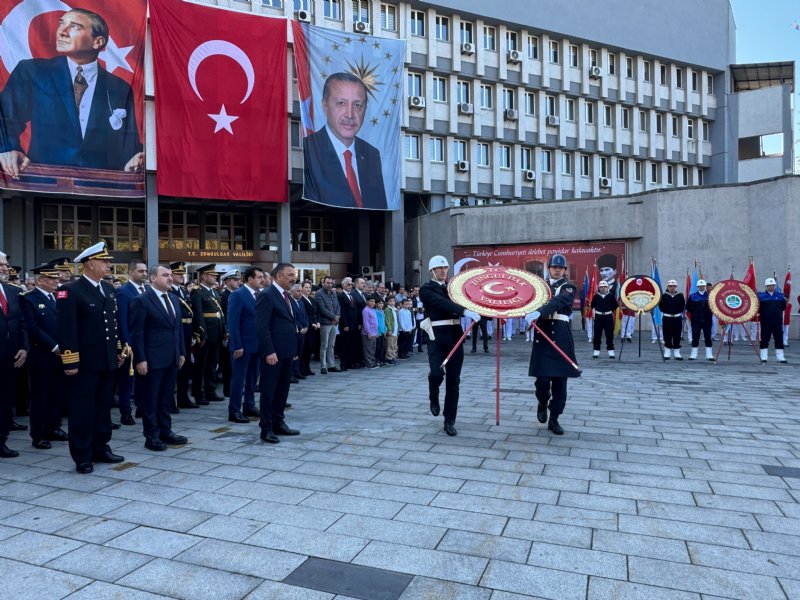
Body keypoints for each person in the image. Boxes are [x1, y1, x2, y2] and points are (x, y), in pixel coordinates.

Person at [0, 8, 143, 178]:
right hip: (42, 184)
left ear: (97, 42)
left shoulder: (119, 87)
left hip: (100, 188)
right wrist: (7, 148)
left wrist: (135, 158)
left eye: (74, 27)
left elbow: (129, 144)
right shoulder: (33, 72)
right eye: (61, 24)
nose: (62, 31)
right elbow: (6, 118)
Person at [56, 241, 124, 473]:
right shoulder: (70, 290)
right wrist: (70, 360)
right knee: (82, 410)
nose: (108, 266)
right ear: (90, 263)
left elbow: (112, 326)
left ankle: (100, 447)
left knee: (103, 408)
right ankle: (82, 455)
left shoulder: (108, 289)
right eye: (104, 262)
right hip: (84, 363)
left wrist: (116, 353)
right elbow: (67, 329)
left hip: (106, 361)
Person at [302, 72, 387, 209]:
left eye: (357, 105)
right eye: (341, 103)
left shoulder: (371, 154)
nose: (350, 114)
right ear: (325, 106)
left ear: (365, 109)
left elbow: (378, 207)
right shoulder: (310, 148)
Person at [420, 256, 481, 436]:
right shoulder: (426, 289)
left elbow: (470, 300)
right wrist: (464, 310)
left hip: (455, 338)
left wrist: (485, 311)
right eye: (439, 268)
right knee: (437, 374)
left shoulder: (454, 289)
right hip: (437, 339)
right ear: (432, 271)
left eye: (445, 268)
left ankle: (449, 419)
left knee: (454, 381)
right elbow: (442, 303)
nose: (443, 271)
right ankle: (433, 394)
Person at [129, 265, 187, 451]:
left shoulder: (173, 299)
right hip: (152, 360)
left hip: (171, 358)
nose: (170, 278)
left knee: (166, 398)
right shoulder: (142, 300)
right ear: (152, 278)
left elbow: (178, 329)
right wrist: (140, 359)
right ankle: (151, 436)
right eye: (165, 275)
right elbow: (137, 333)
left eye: (171, 275)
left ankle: (165, 431)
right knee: (150, 400)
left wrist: (181, 352)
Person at [525, 253, 579, 436]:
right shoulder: (540, 287)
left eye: (560, 267)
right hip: (543, 333)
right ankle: (542, 401)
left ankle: (554, 418)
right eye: (554, 267)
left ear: (564, 270)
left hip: (562, 335)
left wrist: (538, 312)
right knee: (542, 380)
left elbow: (558, 302)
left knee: (560, 383)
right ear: (548, 268)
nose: (557, 269)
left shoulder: (569, 287)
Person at [20, 261, 69, 450]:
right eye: (52, 278)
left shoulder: (59, 297)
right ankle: (39, 434)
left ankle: (53, 427)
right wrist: (54, 345)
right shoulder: (28, 298)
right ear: (41, 280)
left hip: (61, 354)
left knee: (57, 394)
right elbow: (33, 328)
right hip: (42, 354)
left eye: (57, 277)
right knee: (41, 396)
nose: (56, 281)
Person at [256, 263, 300, 443]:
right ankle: (266, 428)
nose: (293, 278)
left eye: (294, 275)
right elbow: (261, 326)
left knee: (283, 389)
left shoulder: (285, 295)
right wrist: (269, 351)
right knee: (269, 391)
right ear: (279, 276)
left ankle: (278, 422)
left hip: (287, 352)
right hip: (273, 354)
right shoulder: (267, 295)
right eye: (290, 275)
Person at [226, 266, 265, 423]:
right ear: (250, 279)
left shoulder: (259, 295)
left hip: (257, 345)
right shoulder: (238, 295)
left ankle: (249, 405)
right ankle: (234, 410)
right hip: (242, 346)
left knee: (252, 378)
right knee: (239, 379)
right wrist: (237, 345)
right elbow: (233, 323)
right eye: (259, 277)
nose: (262, 280)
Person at [0, 252, 29, 458]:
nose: (5, 268)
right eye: (1, 265)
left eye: (6, 265)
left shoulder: (13, 292)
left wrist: (24, 347)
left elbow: (22, 323)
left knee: (5, 401)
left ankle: (1, 441)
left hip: (11, 357)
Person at [115, 260, 148, 426]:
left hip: (145, 342)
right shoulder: (123, 291)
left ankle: (141, 407)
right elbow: (122, 320)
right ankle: (125, 412)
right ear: (130, 272)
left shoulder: (148, 290)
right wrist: (126, 344)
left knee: (144, 377)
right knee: (127, 380)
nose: (144, 274)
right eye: (140, 271)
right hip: (130, 343)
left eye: (145, 271)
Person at [191, 264, 226, 403]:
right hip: (206, 334)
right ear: (204, 276)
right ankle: (198, 393)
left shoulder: (214, 292)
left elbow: (220, 314)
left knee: (212, 363)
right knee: (201, 364)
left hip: (216, 332)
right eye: (212, 275)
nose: (215, 277)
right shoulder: (197, 292)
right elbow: (198, 314)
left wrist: (223, 330)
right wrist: (201, 333)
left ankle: (210, 390)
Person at [168, 262, 197, 409]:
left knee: (185, 366)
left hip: (186, 331)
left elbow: (189, 314)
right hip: (175, 332)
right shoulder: (169, 291)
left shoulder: (184, 292)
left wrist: (192, 333)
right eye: (178, 273)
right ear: (171, 275)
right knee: (174, 366)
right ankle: (170, 401)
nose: (181, 276)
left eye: (182, 273)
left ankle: (183, 397)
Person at [314, 276, 340, 374]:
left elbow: (338, 306)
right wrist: (334, 317)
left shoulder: (333, 293)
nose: (329, 285)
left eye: (331, 283)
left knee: (331, 345)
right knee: (324, 345)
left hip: (334, 323)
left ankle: (331, 365)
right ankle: (323, 366)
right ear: (323, 283)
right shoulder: (319, 293)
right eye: (327, 283)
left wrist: (337, 316)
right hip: (325, 323)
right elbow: (322, 309)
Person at [758, 277, 787, 364]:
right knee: (764, 339)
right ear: (766, 286)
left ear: (775, 286)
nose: (771, 287)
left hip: (777, 322)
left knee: (779, 339)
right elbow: (758, 309)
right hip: (765, 322)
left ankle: (780, 357)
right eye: (769, 286)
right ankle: (763, 356)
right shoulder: (761, 296)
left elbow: (783, 307)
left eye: (773, 285)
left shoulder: (780, 296)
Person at [686, 279, 715, 361]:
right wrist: (696, 314)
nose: (701, 287)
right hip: (696, 320)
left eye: (703, 286)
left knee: (708, 337)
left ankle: (709, 355)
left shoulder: (710, 296)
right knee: (695, 337)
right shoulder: (692, 296)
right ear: (697, 287)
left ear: (705, 286)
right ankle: (693, 355)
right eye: (700, 286)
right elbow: (688, 307)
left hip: (707, 320)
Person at [659, 279, 685, 360]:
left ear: (676, 287)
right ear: (668, 287)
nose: (672, 288)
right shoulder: (664, 296)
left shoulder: (680, 296)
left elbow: (682, 307)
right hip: (667, 318)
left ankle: (677, 353)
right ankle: (667, 352)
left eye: (674, 286)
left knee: (677, 335)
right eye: (670, 286)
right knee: (667, 335)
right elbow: (661, 307)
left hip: (677, 318)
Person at [590, 279, 617, 358]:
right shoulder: (596, 296)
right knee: (597, 334)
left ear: (608, 287)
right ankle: (596, 351)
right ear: (598, 288)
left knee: (609, 335)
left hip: (608, 317)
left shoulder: (611, 296)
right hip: (598, 317)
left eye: (605, 287)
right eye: (601, 287)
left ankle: (611, 351)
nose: (603, 288)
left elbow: (615, 306)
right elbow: (593, 306)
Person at [337, 277, 360, 370]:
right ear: (343, 285)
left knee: (352, 345)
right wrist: (345, 324)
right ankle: (344, 364)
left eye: (351, 284)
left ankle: (351, 363)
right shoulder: (340, 296)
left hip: (354, 324)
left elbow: (355, 311)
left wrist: (358, 323)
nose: (350, 286)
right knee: (344, 345)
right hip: (346, 325)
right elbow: (342, 311)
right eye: (348, 284)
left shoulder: (352, 296)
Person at [289, 283, 309, 382]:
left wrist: (306, 326)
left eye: (301, 291)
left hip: (303, 332)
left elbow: (305, 316)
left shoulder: (301, 302)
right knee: (293, 353)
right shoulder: (290, 302)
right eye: (298, 291)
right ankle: (291, 374)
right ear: (292, 291)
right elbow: (293, 317)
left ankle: (297, 372)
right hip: (295, 332)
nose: (300, 293)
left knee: (299, 353)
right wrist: (300, 328)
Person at [299, 281, 319, 376]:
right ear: (302, 288)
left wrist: (318, 322)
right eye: (306, 287)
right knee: (305, 349)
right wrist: (311, 324)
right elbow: (305, 314)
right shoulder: (301, 300)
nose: (308, 289)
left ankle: (307, 368)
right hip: (307, 327)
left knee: (310, 348)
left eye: (309, 287)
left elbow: (316, 312)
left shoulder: (312, 299)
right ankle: (303, 368)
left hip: (314, 327)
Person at [361, 295, 379, 369]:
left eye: (374, 301)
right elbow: (366, 322)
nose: (372, 303)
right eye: (371, 301)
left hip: (374, 332)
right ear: (367, 302)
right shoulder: (366, 310)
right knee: (368, 349)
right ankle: (369, 364)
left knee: (372, 349)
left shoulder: (373, 310)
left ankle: (372, 362)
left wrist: (376, 331)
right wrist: (369, 332)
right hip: (368, 333)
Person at [384, 295, 399, 366]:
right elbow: (388, 320)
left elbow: (396, 320)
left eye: (393, 301)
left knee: (394, 345)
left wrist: (398, 329)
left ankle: (393, 357)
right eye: (390, 301)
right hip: (391, 331)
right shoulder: (387, 310)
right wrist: (389, 330)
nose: (392, 302)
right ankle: (389, 359)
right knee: (390, 345)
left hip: (395, 330)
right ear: (387, 302)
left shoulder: (395, 309)